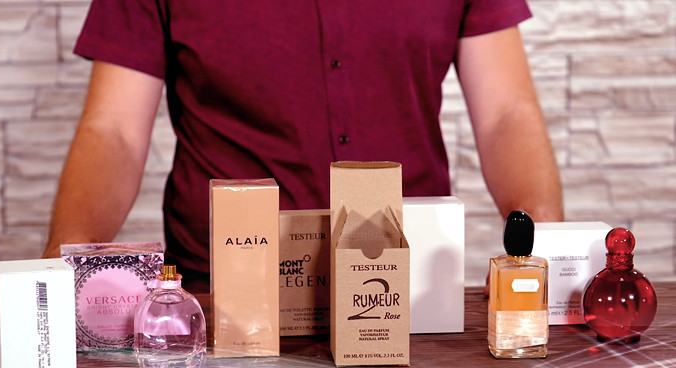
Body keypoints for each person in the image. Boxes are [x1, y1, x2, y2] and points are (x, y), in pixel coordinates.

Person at [43, 1, 563, 292]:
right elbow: (114, 130)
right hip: (225, 293)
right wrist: (62, 267)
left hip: (408, 289)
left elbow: (506, 114)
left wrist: (544, 248)